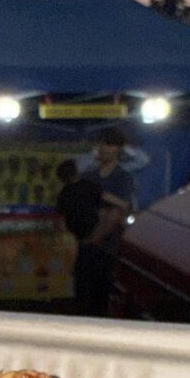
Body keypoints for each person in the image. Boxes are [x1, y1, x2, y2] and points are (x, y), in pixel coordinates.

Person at [75, 128, 136, 312]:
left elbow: (123, 206)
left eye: (108, 144)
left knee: (102, 292)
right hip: (86, 240)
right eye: (100, 144)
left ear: (118, 149)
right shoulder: (88, 175)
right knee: (83, 291)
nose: (102, 148)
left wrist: (101, 196)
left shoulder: (123, 177)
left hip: (109, 244)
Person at [54, 157, 106, 316]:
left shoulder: (65, 192)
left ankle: (83, 307)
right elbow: (102, 209)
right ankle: (97, 308)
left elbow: (61, 221)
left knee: (82, 275)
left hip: (79, 239)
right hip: (96, 237)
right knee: (96, 274)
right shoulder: (91, 186)